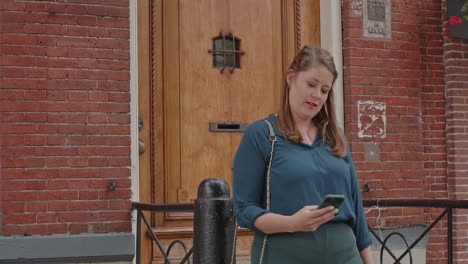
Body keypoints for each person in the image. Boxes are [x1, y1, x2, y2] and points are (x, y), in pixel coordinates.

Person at [233, 45, 374, 264]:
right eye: (311, 84)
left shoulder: (336, 138)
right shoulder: (261, 135)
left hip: (346, 257)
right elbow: (244, 209)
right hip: (284, 255)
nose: (317, 96)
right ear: (291, 78)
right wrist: (292, 223)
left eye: (325, 90)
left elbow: (357, 210)